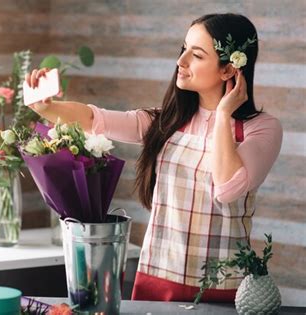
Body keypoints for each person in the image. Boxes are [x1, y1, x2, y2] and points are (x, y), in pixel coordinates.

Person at [24, 13, 282, 302]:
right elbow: (96, 118)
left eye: (196, 55)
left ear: (228, 70)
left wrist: (223, 114)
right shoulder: (164, 124)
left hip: (226, 288)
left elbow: (227, 188)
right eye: (183, 49)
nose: (181, 61)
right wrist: (45, 108)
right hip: (158, 278)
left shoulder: (260, 128)